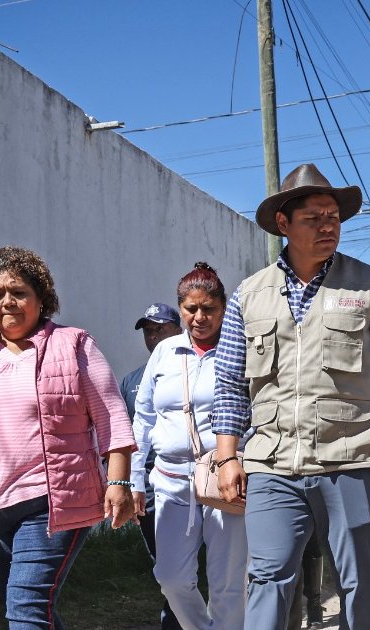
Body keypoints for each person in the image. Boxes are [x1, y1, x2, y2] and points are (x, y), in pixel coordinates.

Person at [210, 163, 370, 629]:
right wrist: (227, 458)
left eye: (334, 216)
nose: (328, 226)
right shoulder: (250, 295)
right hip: (271, 464)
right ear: (284, 224)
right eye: (314, 217)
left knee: (358, 583)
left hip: (349, 460)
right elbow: (230, 382)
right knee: (267, 577)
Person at [0, 246, 137, 629]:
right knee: (32, 610)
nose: (8, 302)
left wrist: (118, 480)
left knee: (26, 611)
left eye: (18, 292)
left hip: (51, 502)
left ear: (40, 298)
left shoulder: (74, 344)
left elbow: (111, 415)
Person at [132, 263, 247, 630]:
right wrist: (134, 479)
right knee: (171, 578)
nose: (199, 317)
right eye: (190, 309)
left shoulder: (239, 348)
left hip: (223, 479)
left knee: (228, 583)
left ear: (224, 308)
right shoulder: (165, 352)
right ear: (180, 308)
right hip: (171, 480)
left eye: (209, 308)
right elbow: (143, 417)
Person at [121, 302, 183, 630]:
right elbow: (123, 435)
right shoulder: (132, 381)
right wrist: (125, 484)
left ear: (179, 328)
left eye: (160, 328)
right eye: (148, 330)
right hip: (149, 486)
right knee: (166, 563)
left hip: (194, 478)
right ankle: (175, 618)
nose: (153, 335)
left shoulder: (199, 368)